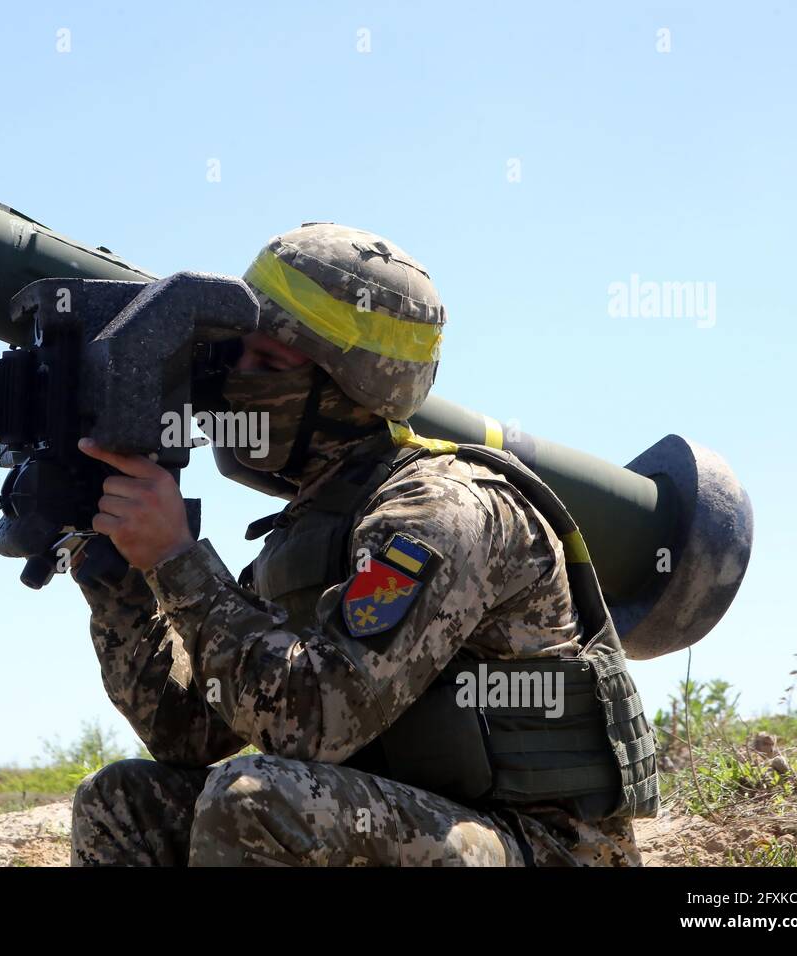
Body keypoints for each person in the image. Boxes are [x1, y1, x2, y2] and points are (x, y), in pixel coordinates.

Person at [70, 223, 657, 866]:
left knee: (255, 801)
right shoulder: (313, 524)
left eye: (267, 363)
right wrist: (115, 574)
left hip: (547, 848)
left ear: (348, 388)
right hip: (424, 821)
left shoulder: (439, 511)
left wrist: (177, 561)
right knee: (121, 799)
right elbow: (186, 730)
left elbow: (316, 720)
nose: (235, 383)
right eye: (237, 356)